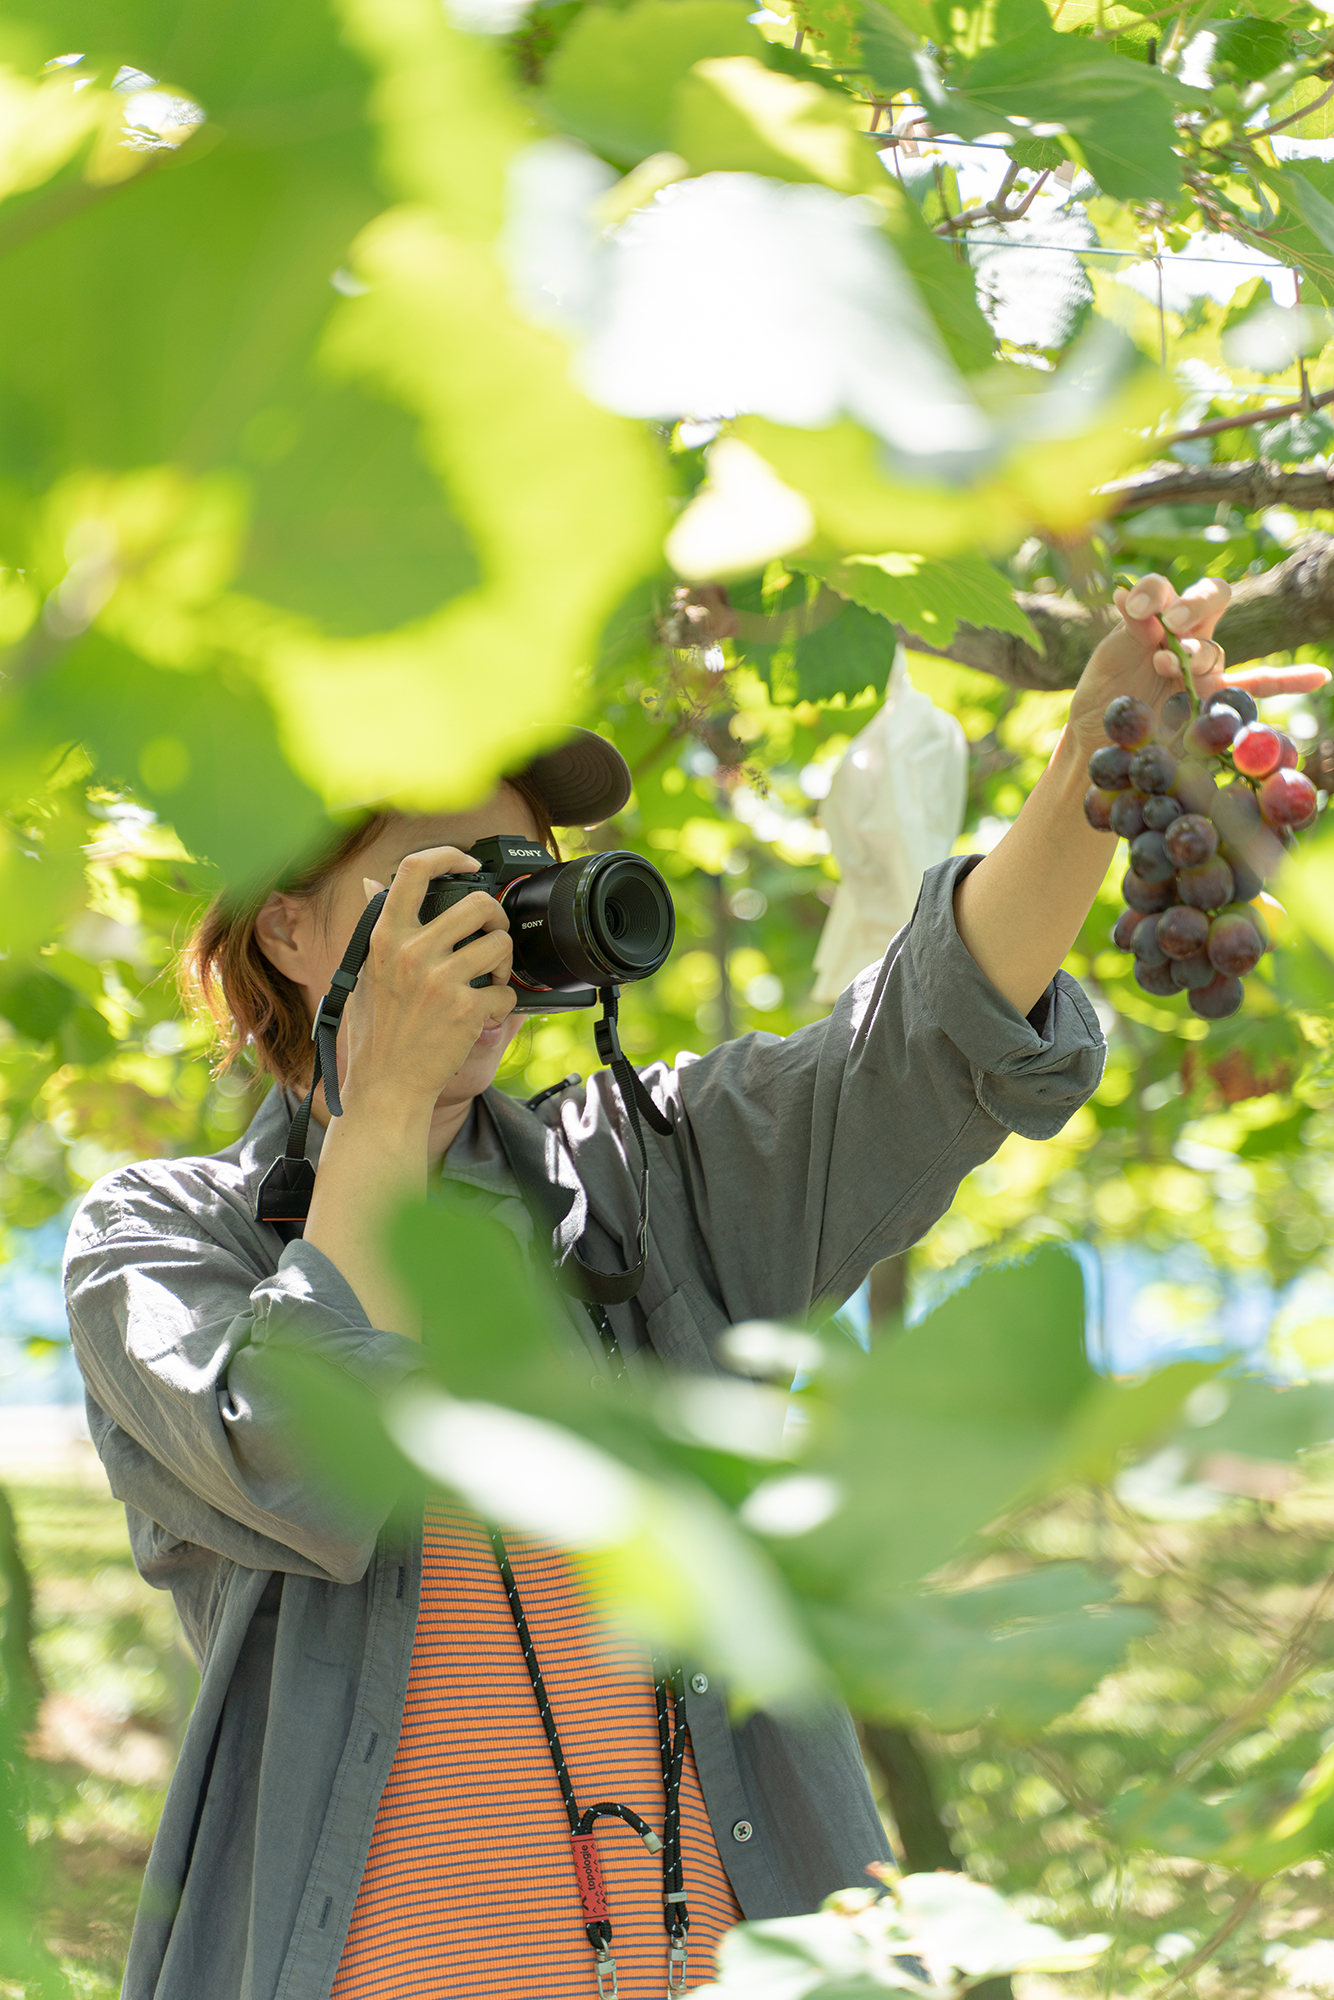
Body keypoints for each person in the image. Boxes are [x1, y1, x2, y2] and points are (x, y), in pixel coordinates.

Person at [65, 576, 1325, 2000]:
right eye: (439, 885)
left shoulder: (639, 1177)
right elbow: (297, 1458)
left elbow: (920, 1042)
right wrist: (386, 1102)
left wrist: (1093, 754)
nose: (491, 932)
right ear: (288, 928)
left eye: (515, 880)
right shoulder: (162, 1241)